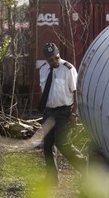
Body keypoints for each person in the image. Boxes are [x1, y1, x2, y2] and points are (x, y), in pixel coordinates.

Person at [38, 42, 86, 187]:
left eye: (56, 58)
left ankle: (87, 168)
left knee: (63, 143)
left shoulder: (68, 69)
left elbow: (76, 91)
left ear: (59, 55)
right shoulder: (43, 70)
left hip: (64, 112)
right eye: (51, 60)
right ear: (46, 60)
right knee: (47, 146)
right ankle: (52, 179)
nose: (55, 62)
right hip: (49, 112)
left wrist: (74, 113)